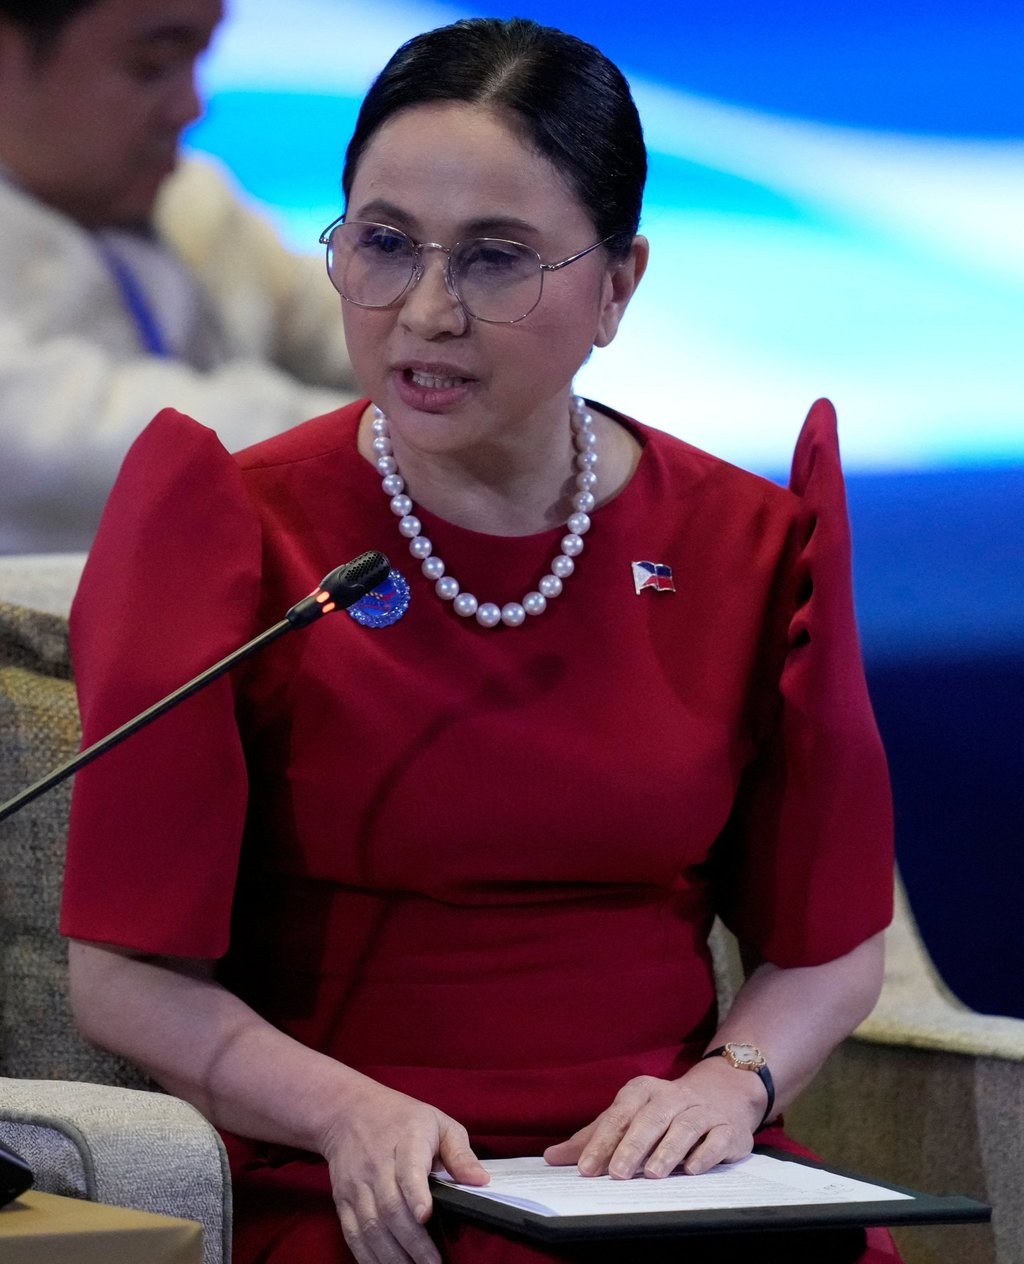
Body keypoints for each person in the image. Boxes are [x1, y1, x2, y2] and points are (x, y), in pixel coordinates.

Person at [60, 17, 901, 1264]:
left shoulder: (743, 542)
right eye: (384, 243)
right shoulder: (231, 528)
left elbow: (828, 947)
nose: (426, 311)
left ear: (618, 285)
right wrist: (342, 1110)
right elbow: (123, 975)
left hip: (665, 1185)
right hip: (368, 1188)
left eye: (496, 259)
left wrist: (731, 1084)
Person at [0, 0, 356, 553]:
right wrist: (411, 442)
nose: (192, 107)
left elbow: (355, 316)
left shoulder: (190, 200)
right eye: (153, 64)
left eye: (198, 59)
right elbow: (61, 447)